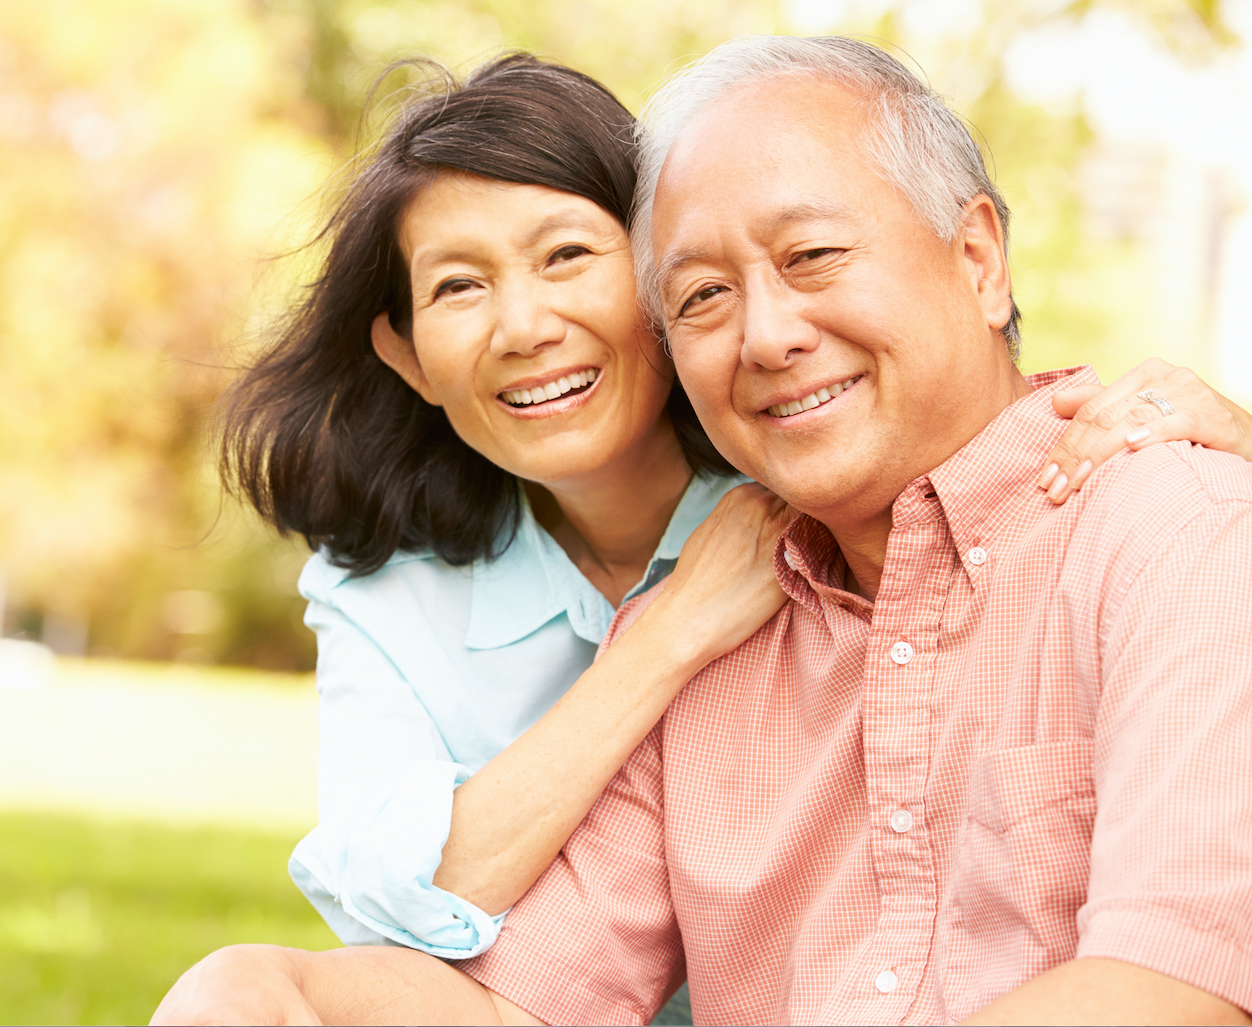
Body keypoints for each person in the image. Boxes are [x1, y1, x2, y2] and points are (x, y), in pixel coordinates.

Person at [151, 44, 1252, 1027]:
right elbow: (528, 995)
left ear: (977, 259)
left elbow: (1174, 983)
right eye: (706, 294)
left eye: (813, 256)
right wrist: (274, 991)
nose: (768, 334)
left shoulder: (1170, 536)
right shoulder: (720, 619)